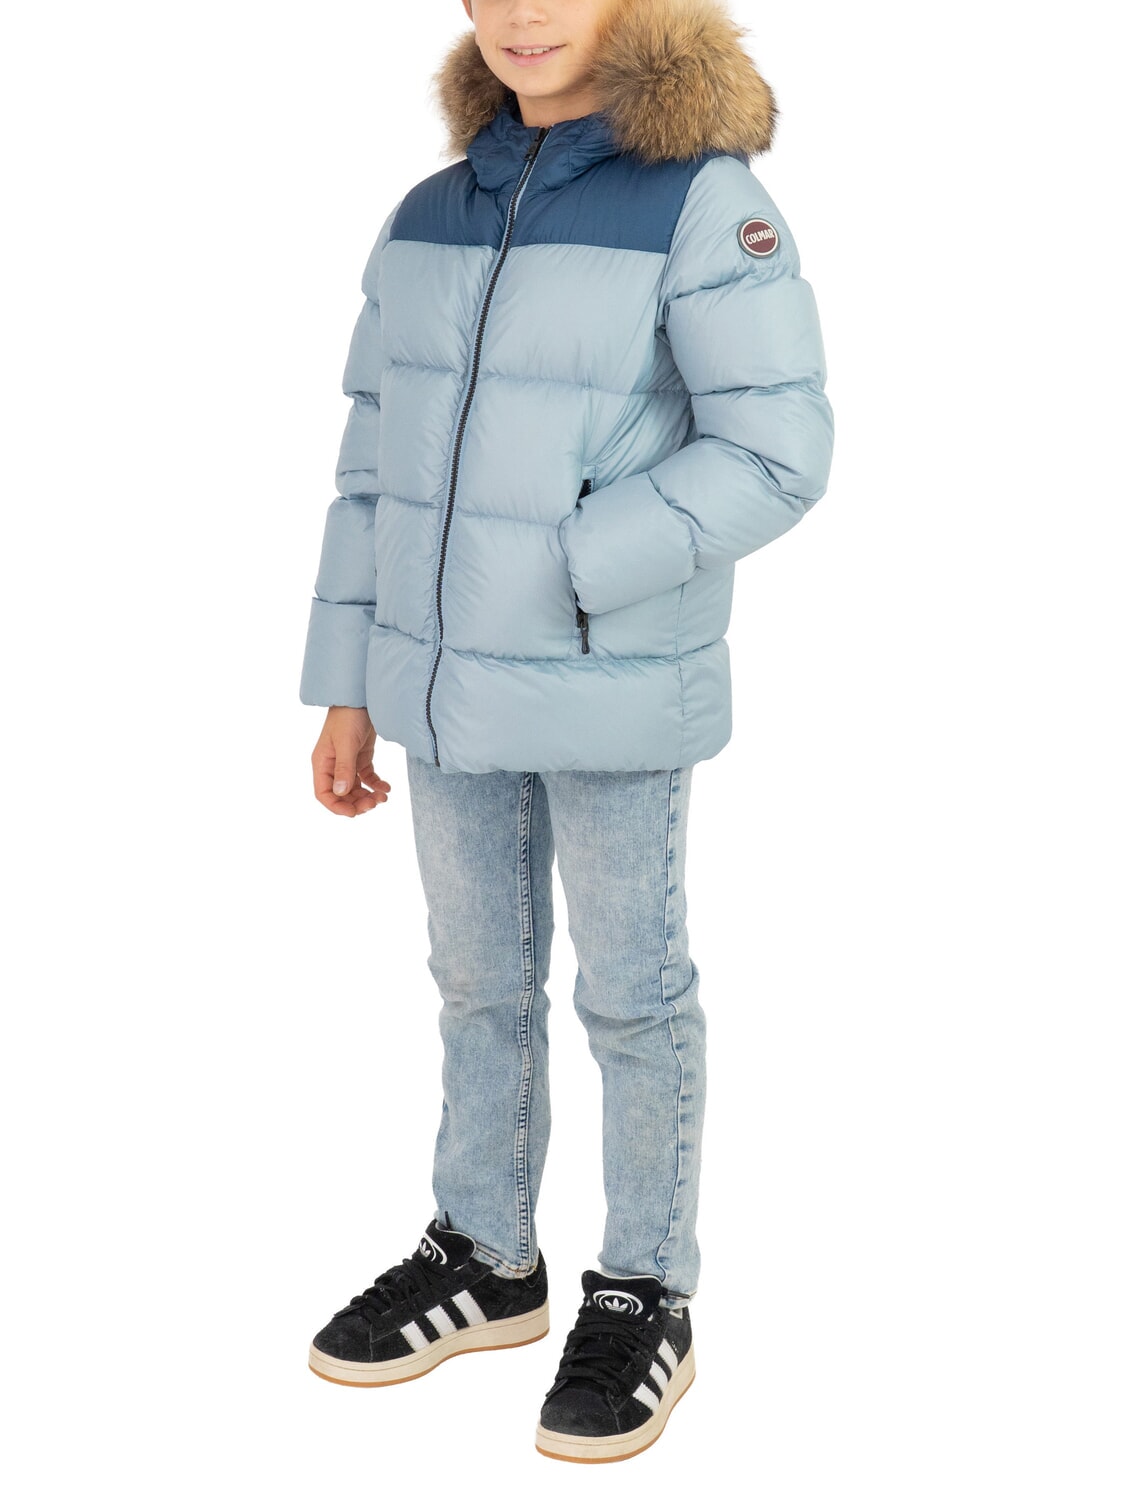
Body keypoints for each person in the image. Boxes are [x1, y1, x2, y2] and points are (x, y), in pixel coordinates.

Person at [298, 0, 832, 1463]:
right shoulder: (430, 211)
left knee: (632, 996)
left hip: (610, 681)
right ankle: (486, 1254)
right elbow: (373, 467)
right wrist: (348, 681)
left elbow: (778, 451)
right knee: (476, 983)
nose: (526, 11)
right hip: (436, 691)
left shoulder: (701, 202)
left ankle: (644, 1289)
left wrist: (573, 565)